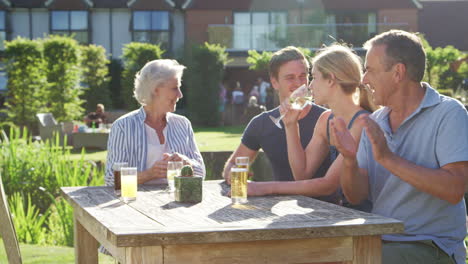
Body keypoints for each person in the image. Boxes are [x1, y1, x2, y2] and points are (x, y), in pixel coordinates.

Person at [330, 30, 468, 263]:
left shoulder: (449, 113)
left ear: (398, 72)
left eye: (370, 70)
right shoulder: (374, 121)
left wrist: (387, 158)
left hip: (431, 246)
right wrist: (349, 160)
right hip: (379, 240)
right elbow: (356, 195)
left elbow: (455, 189)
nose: (364, 80)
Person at [247, 45, 377, 209]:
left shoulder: (362, 122)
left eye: (313, 77)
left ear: (330, 80)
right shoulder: (325, 119)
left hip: (369, 219)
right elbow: (302, 175)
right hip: (342, 215)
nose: (309, 86)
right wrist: (290, 125)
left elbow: (328, 184)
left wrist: (265, 187)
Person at [223, 46, 331, 184]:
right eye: (290, 78)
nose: (298, 83)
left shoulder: (326, 118)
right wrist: (232, 173)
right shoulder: (261, 123)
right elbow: (232, 165)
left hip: (322, 205)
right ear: (274, 82)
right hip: (279, 204)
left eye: (303, 76)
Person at [105, 59, 205, 186]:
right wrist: (150, 174)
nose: (180, 95)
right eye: (175, 88)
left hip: (176, 201)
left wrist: (188, 164)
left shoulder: (183, 124)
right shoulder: (123, 127)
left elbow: (201, 173)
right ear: (155, 90)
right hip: (136, 203)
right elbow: (111, 179)